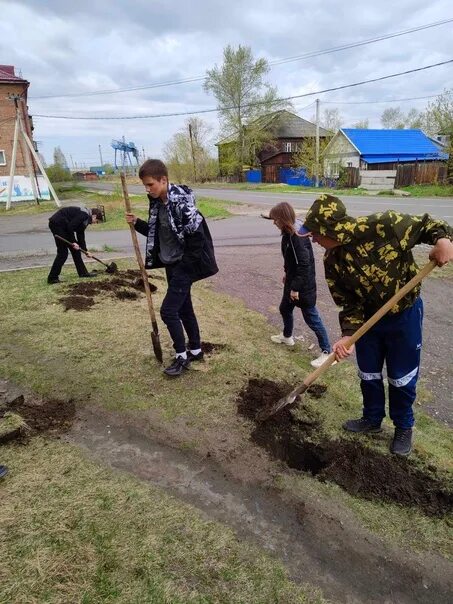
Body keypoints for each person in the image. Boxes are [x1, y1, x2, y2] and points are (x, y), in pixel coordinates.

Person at [300, 193, 453, 456]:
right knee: (368, 372)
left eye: (314, 232)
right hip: (369, 323)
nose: (312, 238)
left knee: (401, 376)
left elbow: (428, 225)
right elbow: (347, 303)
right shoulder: (332, 261)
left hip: (403, 316)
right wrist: (347, 335)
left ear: (329, 228)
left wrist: (443, 241)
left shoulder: (383, 225)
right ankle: (372, 419)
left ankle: (403, 427)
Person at [126, 159, 218, 377]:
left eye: (151, 185)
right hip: (170, 262)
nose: (148, 190)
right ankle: (195, 350)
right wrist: (137, 222)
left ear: (163, 179)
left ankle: (181, 357)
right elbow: (159, 232)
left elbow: (197, 239)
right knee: (184, 308)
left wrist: (185, 271)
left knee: (168, 311)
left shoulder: (182, 203)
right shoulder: (158, 202)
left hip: (183, 265)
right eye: (145, 186)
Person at [266, 202, 333, 368]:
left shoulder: (296, 236)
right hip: (293, 280)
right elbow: (293, 261)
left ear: (283, 218)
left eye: (275, 219)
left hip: (302, 285)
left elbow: (304, 265)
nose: (274, 223)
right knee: (285, 308)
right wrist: (287, 274)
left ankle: (327, 352)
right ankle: (287, 337)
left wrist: (295, 288)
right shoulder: (288, 233)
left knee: (312, 317)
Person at [47, 206, 103, 284]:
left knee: (76, 251)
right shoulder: (84, 215)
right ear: (94, 216)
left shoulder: (85, 219)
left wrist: (85, 251)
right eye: (96, 221)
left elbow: (80, 234)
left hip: (63, 226)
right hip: (58, 224)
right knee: (63, 253)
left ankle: (83, 273)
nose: (95, 223)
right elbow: (70, 227)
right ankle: (52, 278)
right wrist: (74, 242)